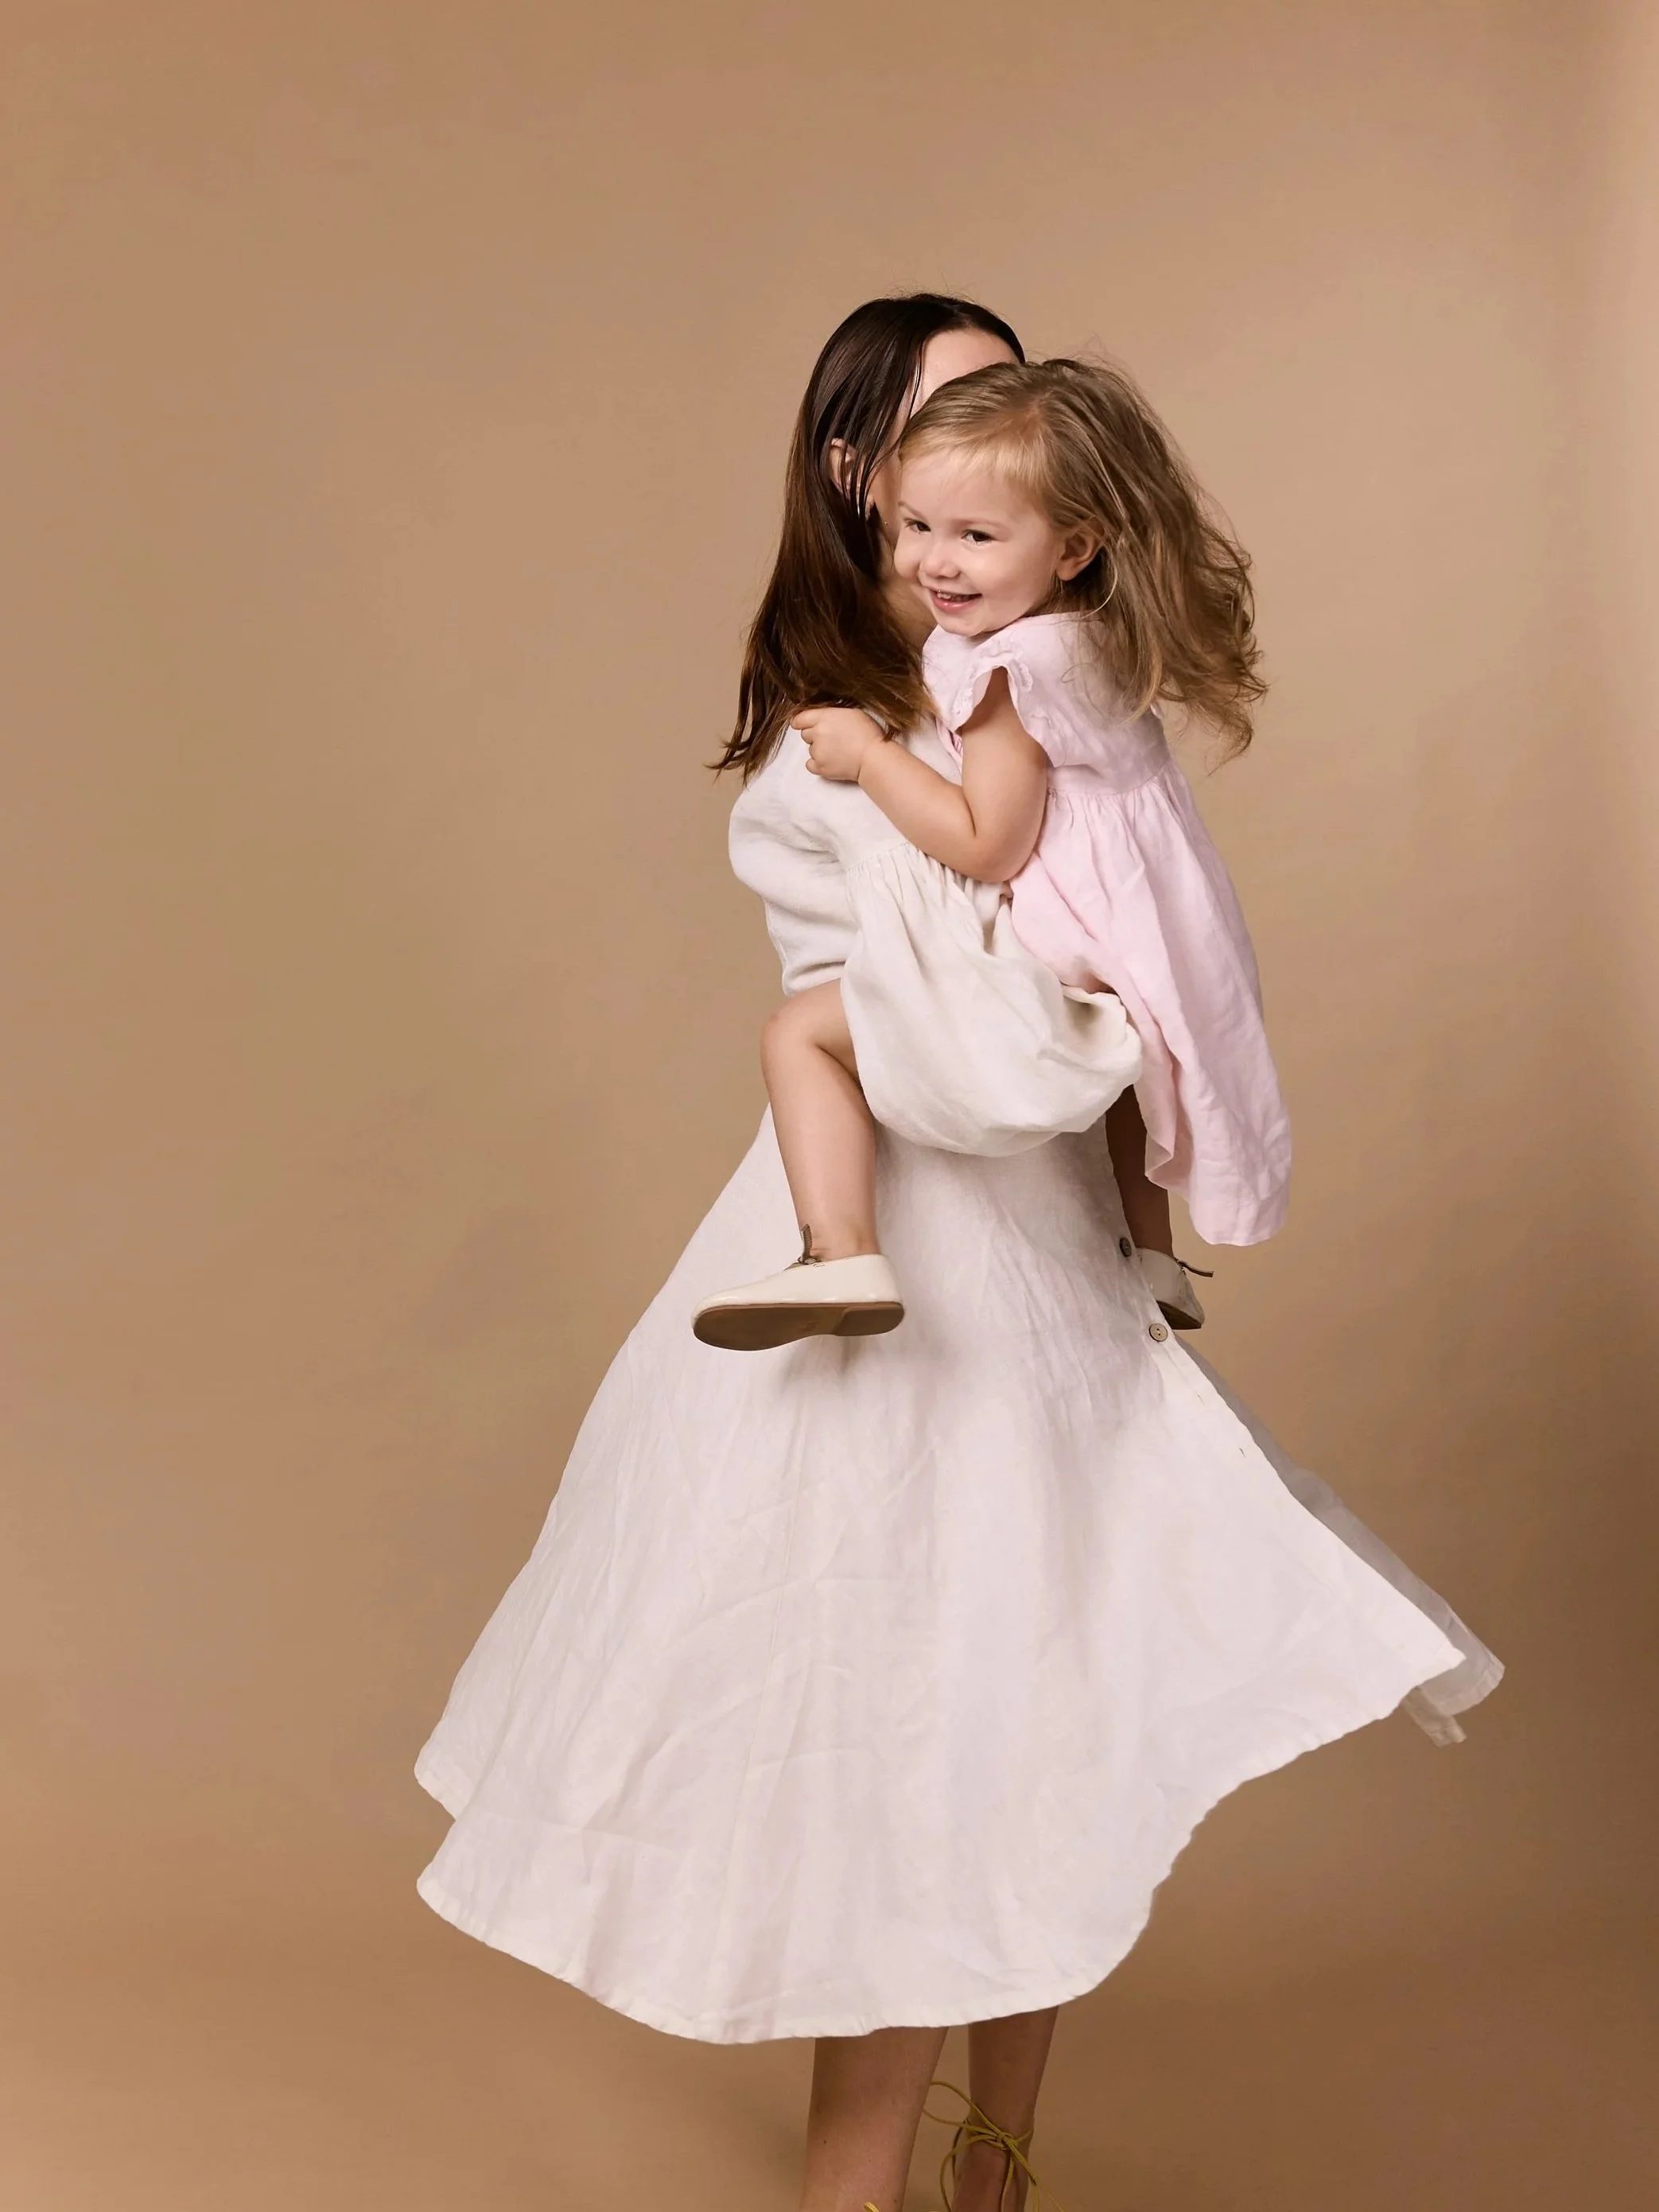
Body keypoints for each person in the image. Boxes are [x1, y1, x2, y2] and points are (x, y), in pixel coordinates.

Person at [414, 296, 1501, 2212]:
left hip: (1019, 1223)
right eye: (932, 434)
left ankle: (996, 2153)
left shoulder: (1026, 671)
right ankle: (872, 2183)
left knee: (1030, 1694)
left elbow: (1096, 949)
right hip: (876, 1215)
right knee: (902, 1706)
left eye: (1000, 440)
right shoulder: (898, 679)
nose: (966, 474)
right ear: (862, 472)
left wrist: (1139, 1215)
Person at [694, 355, 1284, 1353]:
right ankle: (1153, 1254)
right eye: (918, 526)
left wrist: (874, 756)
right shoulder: (1085, 637)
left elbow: (986, 843)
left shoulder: (1007, 672)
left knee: (799, 1033)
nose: (937, 562)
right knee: (1137, 1063)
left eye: (975, 535)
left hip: (1054, 953)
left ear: (1073, 547)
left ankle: (837, 1249)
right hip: (1137, 944)